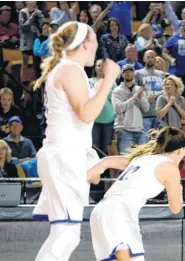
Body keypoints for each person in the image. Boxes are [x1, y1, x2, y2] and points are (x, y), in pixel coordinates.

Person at [31, 21, 120, 261]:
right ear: (83, 45)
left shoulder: (67, 69)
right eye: (94, 42)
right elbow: (87, 113)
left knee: (64, 235)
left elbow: (81, 115)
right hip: (64, 156)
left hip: (65, 155)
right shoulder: (70, 69)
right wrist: (109, 81)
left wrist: (100, 87)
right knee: (65, 236)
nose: (96, 47)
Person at [88, 126, 185, 261]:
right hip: (120, 212)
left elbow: (106, 161)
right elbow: (176, 208)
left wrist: (81, 178)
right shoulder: (170, 168)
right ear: (181, 149)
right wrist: (179, 190)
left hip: (100, 211)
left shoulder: (141, 159)